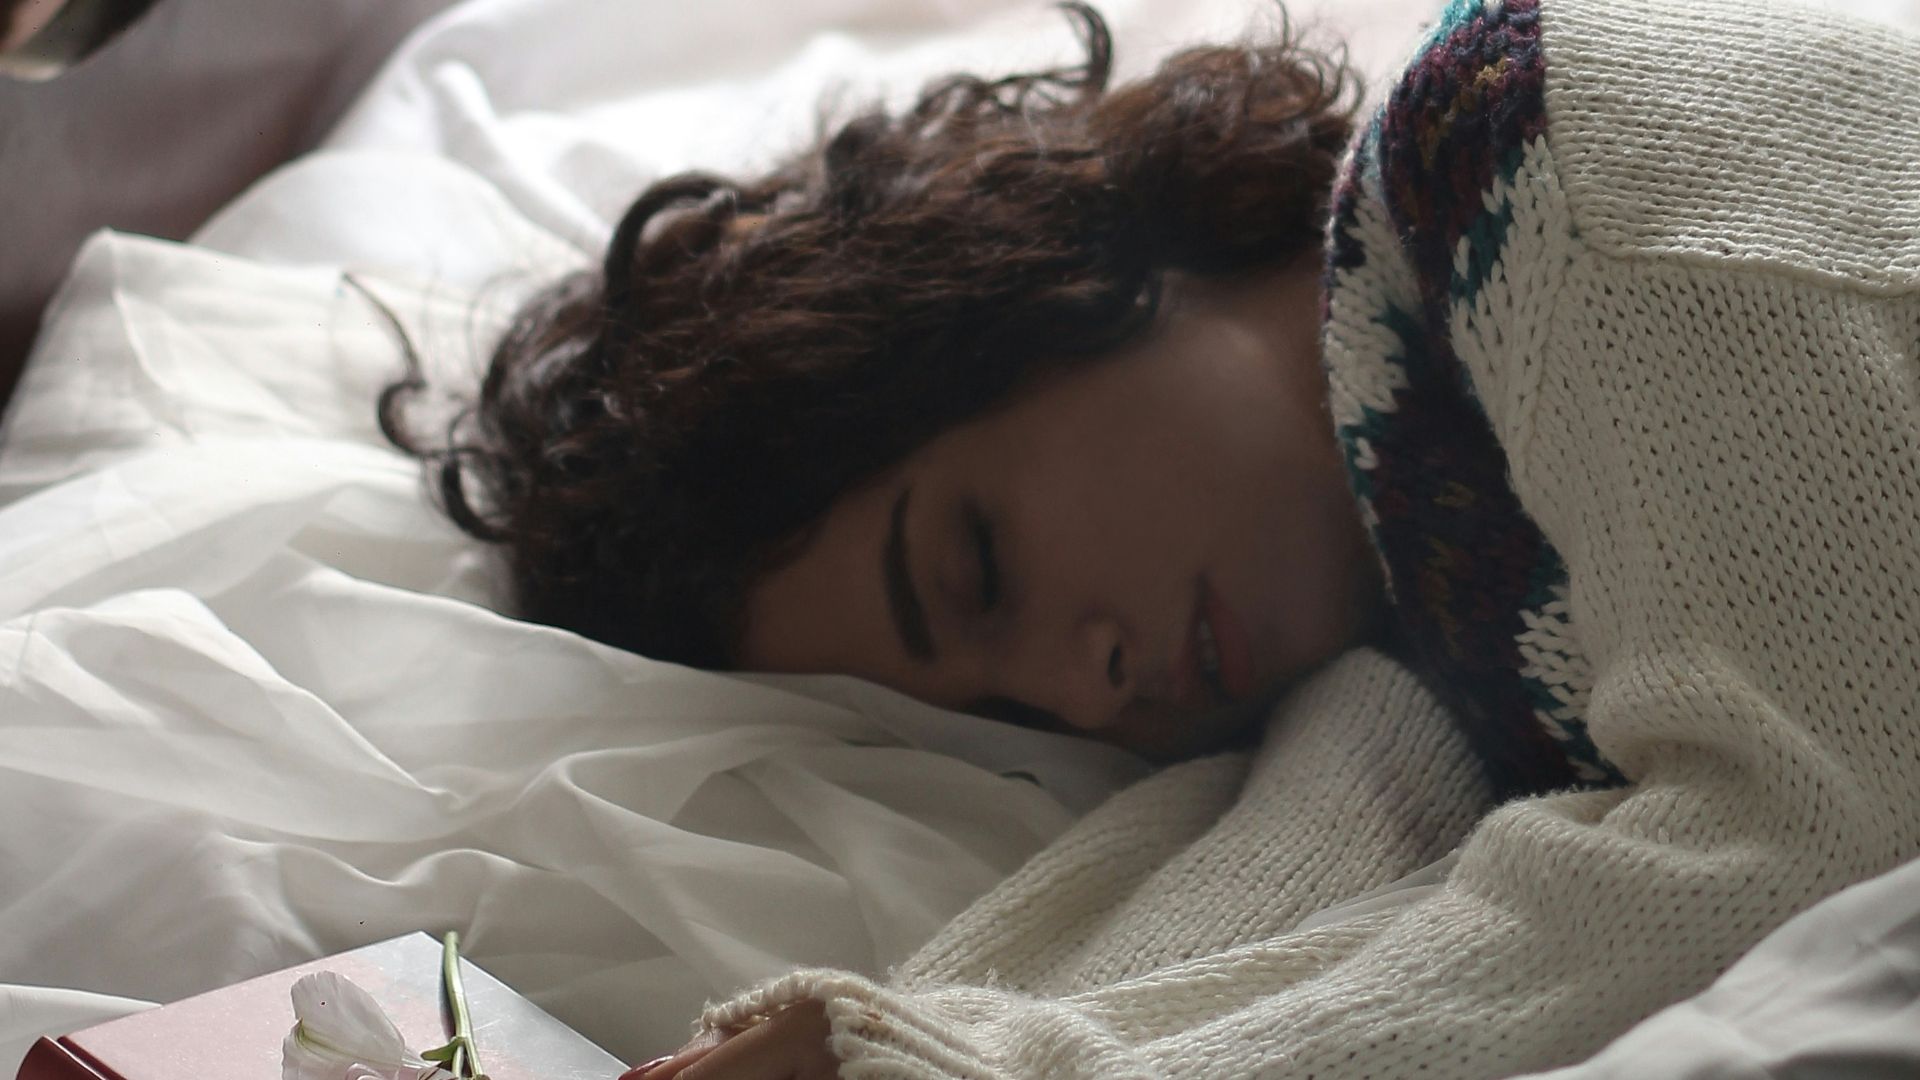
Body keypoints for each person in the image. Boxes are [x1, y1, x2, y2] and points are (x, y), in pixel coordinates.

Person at [384, 0, 1920, 1074]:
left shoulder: (1529, 159)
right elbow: (1303, 860)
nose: (1085, 689)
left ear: (1044, 279)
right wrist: (895, 1039)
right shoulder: (1419, 554)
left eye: (976, 568)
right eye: (1009, 716)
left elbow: (1820, 820)